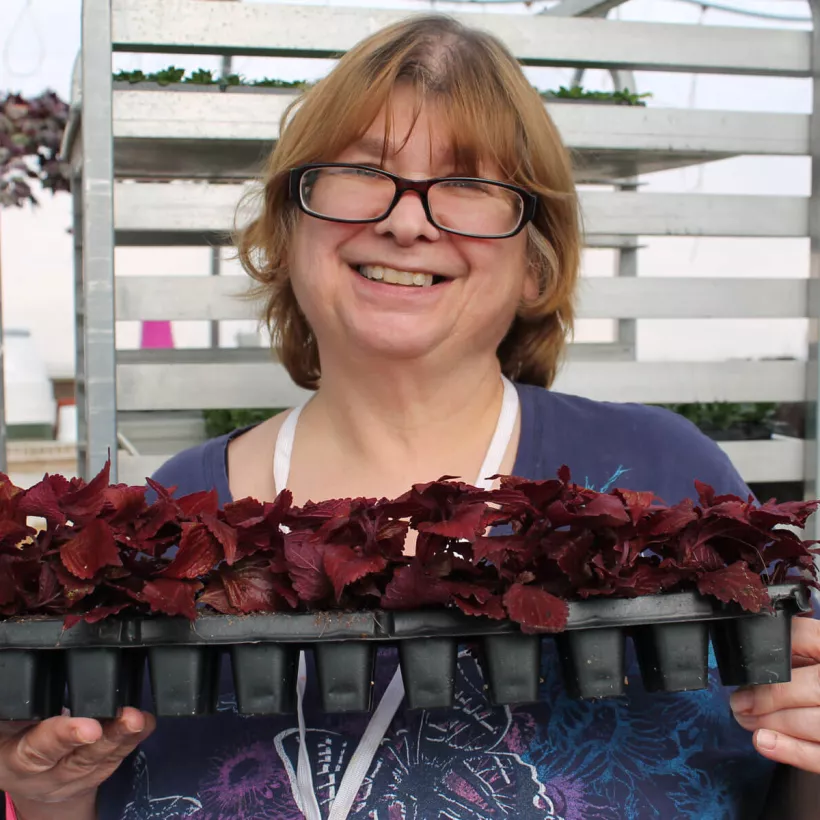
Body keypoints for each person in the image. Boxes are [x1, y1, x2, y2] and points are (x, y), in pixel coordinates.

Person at [2, 14, 820, 820]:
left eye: (468, 183)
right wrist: (53, 797)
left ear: (536, 262)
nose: (406, 219)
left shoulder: (663, 478)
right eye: (363, 171)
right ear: (290, 228)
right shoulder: (179, 524)